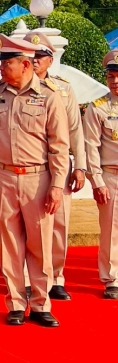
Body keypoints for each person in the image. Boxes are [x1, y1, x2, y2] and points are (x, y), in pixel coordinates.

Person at [0, 34, 69, 328]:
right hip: (3, 177)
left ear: (25, 65)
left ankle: (40, 303)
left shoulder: (49, 96)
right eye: (2, 63)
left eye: (7, 63)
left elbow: (59, 146)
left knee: (39, 244)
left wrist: (57, 185)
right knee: (9, 245)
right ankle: (16, 302)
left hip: (37, 179)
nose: (1, 68)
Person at [24, 31, 86, 300]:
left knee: (59, 223)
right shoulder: (13, 87)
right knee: (28, 225)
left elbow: (75, 129)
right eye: (31, 56)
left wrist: (80, 166)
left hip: (59, 165)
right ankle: (29, 278)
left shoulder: (63, 88)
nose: (35, 60)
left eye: (41, 56)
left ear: (51, 60)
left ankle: (56, 276)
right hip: (28, 165)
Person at [82, 48, 118, 300]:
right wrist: (97, 181)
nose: (115, 81)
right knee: (111, 231)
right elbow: (90, 147)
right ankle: (112, 278)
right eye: (110, 76)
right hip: (112, 176)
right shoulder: (98, 108)